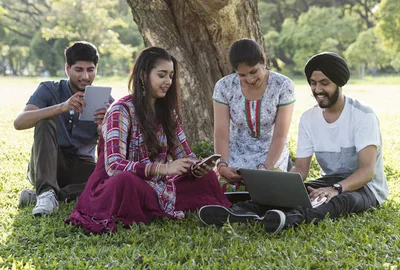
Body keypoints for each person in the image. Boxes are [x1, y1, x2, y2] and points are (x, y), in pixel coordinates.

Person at [198, 52, 389, 232]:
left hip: (366, 188)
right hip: (330, 181)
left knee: (339, 202)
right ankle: (240, 212)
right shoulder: (309, 118)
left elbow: (367, 172)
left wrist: (336, 189)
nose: (318, 89)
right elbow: (301, 170)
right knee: (301, 191)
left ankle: (290, 219)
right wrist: (281, 187)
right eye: (313, 83)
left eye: (325, 83)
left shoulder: (363, 116)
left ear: (339, 83)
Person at [65, 46, 231, 233]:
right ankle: (153, 206)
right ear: (143, 76)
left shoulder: (168, 113)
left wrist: (197, 166)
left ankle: (156, 205)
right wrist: (164, 168)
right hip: (119, 185)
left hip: (157, 185)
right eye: (162, 75)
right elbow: (114, 166)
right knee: (126, 182)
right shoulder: (121, 110)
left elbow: (185, 154)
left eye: (170, 75)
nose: (168, 81)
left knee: (206, 177)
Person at [14, 41, 112, 216]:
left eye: (90, 70)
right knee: (45, 121)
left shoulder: (105, 100)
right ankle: (45, 193)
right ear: (67, 69)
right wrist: (61, 107)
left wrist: (103, 128)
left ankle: (50, 195)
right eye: (79, 70)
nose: (85, 76)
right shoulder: (48, 89)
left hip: (82, 165)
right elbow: (19, 122)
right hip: (48, 163)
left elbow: (118, 147)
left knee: (113, 180)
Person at [213, 39, 295, 187]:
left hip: (271, 152)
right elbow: (221, 134)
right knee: (226, 190)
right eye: (242, 75)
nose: (250, 79)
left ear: (263, 61)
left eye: (253, 71)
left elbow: (280, 135)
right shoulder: (224, 86)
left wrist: (266, 167)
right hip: (235, 152)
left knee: (266, 188)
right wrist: (222, 165)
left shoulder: (283, 85)